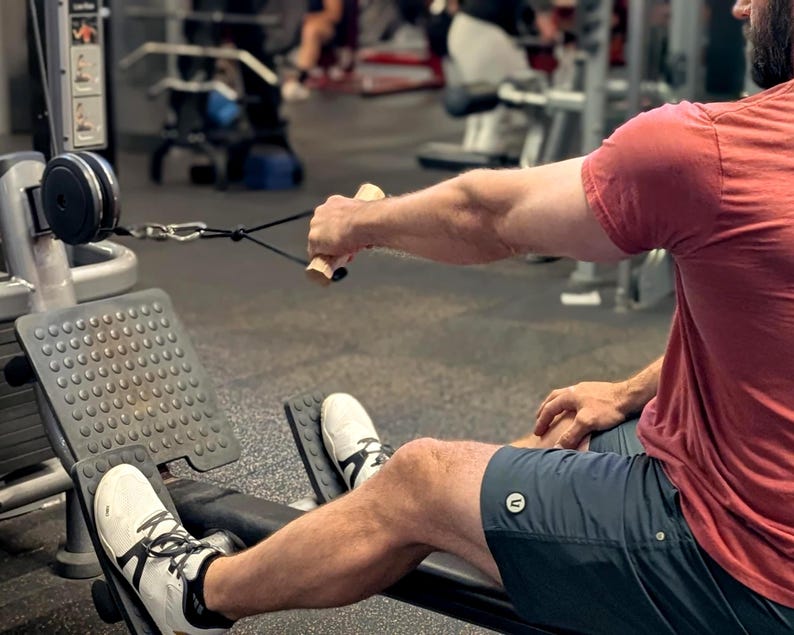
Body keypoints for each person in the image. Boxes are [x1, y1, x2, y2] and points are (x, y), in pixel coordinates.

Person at [94, 0, 794, 633]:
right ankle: (385, 520)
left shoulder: (714, 149)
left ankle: (193, 596)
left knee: (423, 475)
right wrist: (632, 391)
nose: (739, 7)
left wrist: (355, 222)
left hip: (745, 571)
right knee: (569, 436)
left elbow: (487, 217)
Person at [282, 0, 345, 101]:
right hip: (294, 27)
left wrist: (308, 18)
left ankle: (301, 78)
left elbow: (335, 14)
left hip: (326, 28)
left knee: (310, 29)